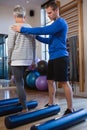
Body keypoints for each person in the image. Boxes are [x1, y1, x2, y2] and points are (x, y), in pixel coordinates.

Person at [11, 1, 74, 115]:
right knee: (50, 81)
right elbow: (49, 40)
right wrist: (36, 36)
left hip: (61, 57)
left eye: (50, 13)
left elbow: (44, 30)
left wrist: (23, 29)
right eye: (47, 13)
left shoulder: (60, 23)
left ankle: (70, 108)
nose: (48, 15)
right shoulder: (54, 25)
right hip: (53, 57)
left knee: (64, 82)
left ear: (56, 10)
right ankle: (51, 103)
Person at [7, 5, 36, 112]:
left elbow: (10, 46)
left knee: (19, 82)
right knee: (21, 81)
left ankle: (24, 107)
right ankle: (21, 100)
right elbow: (33, 45)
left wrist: (9, 58)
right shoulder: (30, 27)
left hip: (17, 59)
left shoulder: (13, 27)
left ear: (14, 15)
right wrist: (33, 59)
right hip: (27, 60)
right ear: (24, 15)